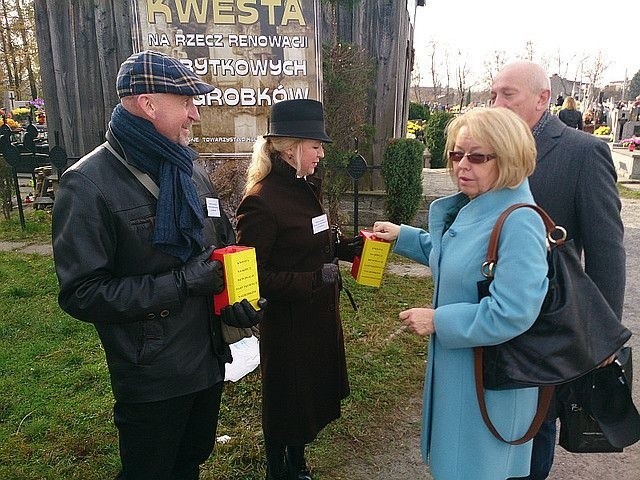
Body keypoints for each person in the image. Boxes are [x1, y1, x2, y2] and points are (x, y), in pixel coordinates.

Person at [52, 50, 262, 479]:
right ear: (148, 104)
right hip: (152, 375)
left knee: (191, 461)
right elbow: (82, 294)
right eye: (186, 101)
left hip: (207, 359)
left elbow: (220, 245)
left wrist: (237, 301)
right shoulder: (87, 184)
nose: (195, 114)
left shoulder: (188, 168)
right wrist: (183, 283)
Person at [373, 107, 549, 479]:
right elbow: (455, 258)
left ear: (510, 156)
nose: (461, 165)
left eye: (477, 156)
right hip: (466, 376)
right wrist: (403, 236)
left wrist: (439, 320)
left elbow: (513, 311)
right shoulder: (480, 206)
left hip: (489, 384)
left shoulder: (518, 220)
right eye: (456, 154)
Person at [491, 60, 626, 480]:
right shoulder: (488, 147)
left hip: (547, 327)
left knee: (535, 429)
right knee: (491, 423)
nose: (496, 103)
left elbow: (607, 251)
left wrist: (600, 336)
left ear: (542, 99)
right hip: (487, 318)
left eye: (507, 94)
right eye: (493, 94)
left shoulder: (582, 152)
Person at [235, 99, 361, 480]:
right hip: (289, 322)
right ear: (290, 149)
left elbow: (312, 239)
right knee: (286, 397)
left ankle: (298, 460)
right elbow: (253, 274)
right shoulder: (260, 201)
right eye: (316, 146)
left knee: (307, 395)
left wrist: (346, 247)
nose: (321, 153)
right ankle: (279, 468)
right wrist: (312, 280)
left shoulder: (305, 188)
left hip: (318, 316)